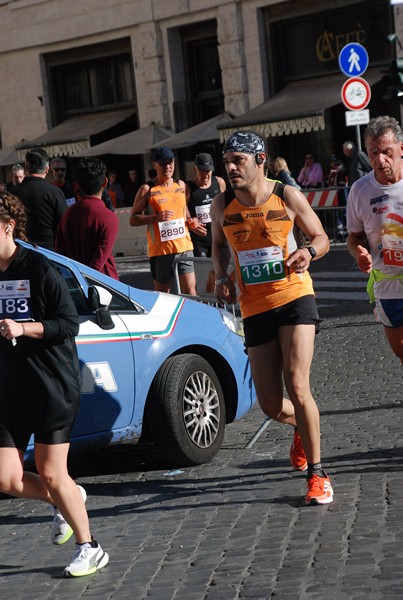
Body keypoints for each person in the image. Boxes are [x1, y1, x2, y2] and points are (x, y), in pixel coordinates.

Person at [211, 131, 333, 505]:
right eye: (227, 161)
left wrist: (308, 252)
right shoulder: (222, 204)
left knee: (297, 385)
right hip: (254, 306)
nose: (231, 168)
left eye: (239, 161)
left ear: (260, 160)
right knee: (269, 404)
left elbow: (322, 236)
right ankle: (301, 424)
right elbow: (217, 243)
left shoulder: (287, 195)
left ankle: (318, 474)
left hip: (294, 296)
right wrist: (221, 276)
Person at [0, 191, 109, 577]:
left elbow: (69, 324)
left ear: (8, 227)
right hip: (8, 390)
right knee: (6, 478)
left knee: (51, 472)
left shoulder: (39, 268)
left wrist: (23, 328)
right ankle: (67, 497)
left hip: (51, 385)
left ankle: (90, 547)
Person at [346, 115, 403, 364]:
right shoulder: (360, 190)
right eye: (373, 153)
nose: (380, 160)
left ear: (401, 148)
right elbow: (354, 236)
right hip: (387, 285)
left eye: (386, 152)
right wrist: (359, 252)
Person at [129, 146, 206, 294]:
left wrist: (191, 222)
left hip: (184, 248)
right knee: (164, 296)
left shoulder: (181, 185)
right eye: (163, 163)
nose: (167, 166)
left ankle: (190, 318)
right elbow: (133, 219)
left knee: (191, 292)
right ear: (154, 164)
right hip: (161, 252)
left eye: (170, 162)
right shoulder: (147, 189)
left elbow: (185, 212)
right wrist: (155, 218)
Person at [56, 157, 119, 280]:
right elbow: (98, 262)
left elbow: (60, 255)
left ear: (77, 186)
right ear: (105, 183)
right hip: (106, 284)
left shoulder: (67, 215)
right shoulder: (108, 217)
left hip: (74, 283)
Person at [16, 149, 67, 250]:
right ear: (47, 169)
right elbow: (64, 224)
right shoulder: (54, 192)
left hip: (20, 251)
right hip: (50, 253)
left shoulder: (13, 193)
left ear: (26, 168)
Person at [186, 152, 226, 257]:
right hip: (199, 241)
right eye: (202, 171)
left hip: (218, 237)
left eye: (208, 171)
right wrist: (190, 221)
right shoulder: (188, 188)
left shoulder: (219, 182)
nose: (205, 175)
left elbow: (226, 207)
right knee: (204, 271)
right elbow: (182, 211)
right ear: (195, 169)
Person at [326, 154, 348, 241]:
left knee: (342, 212)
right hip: (333, 194)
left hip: (341, 194)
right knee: (336, 213)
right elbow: (330, 182)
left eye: (334, 161)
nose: (333, 163)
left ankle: (345, 232)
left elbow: (342, 182)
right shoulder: (333, 171)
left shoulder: (341, 170)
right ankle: (340, 232)